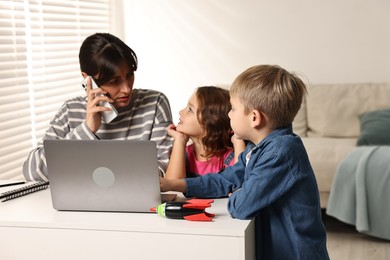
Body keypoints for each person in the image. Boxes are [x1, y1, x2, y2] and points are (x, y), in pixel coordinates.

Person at [161, 65, 330, 259]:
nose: (229, 114)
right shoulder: (256, 148)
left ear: (255, 118)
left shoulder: (280, 153)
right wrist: (174, 184)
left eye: (233, 108)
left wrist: (240, 192)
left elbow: (241, 207)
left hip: (296, 254)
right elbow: (227, 179)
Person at [23, 33, 173, 181]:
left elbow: (166, 170)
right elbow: (33, 171)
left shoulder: (155, 103)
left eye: (129, 75)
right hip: (80, 202)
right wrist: (87, 130)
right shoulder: (70, 111)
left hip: (137, 203)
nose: (127, 88)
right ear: (87, 79)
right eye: (115, 81)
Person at [165, 86, 246, 179]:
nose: (181, 112)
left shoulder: (229, 158)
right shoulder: (183, 153)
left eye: (190, 109)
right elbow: (172, 186)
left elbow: (240, 183)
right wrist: (179, 140)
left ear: (213, 122)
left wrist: (238, 139)